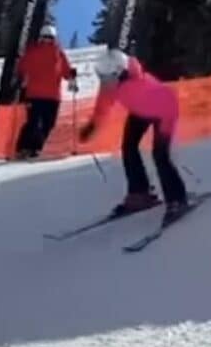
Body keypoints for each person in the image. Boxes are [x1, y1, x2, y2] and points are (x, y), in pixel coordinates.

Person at [77, 48, 188, 221]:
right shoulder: (110, 85)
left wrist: (164, 134)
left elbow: (169, 100)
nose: (104, 83)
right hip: (139, 112)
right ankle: (139, 194)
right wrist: (92, 126)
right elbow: (102, 107)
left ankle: (177, 198)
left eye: (107, 78)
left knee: (159, 155)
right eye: (101, 78)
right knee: (128, 148)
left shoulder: (138, 81)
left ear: (120, 73)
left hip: (164, 110)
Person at [14, 23, 78, 159]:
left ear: (54, 38)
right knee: (33, 122)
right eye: (45, 37)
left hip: (52, 96)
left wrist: (71, 77)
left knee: (48, 123)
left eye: (50, 37)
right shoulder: (34, 51)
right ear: (41, 37)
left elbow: (65, 70)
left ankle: (35, 148)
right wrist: (23, 78)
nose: (47, 40)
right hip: (34, 94)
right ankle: (23, 148)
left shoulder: (59, 53)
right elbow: (23, 66)